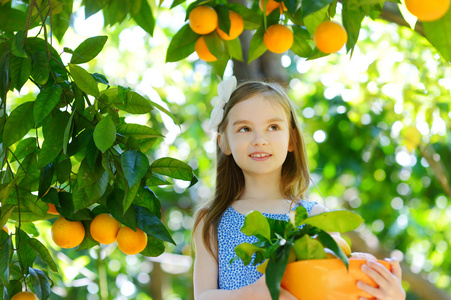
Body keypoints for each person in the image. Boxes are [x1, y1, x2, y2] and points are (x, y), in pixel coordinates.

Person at [193, 77, 405, 300]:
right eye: (244, 129)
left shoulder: (316, 218)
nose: (260, 139)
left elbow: (333, 292)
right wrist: (250, 295)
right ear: (223, 142)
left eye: (273, 127)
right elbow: (203, 296)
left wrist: (383, 294)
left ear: (292, 139)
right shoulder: (211, 220)